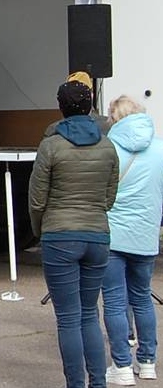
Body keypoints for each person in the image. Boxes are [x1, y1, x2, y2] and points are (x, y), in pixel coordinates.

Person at [29, 79, 119, 388]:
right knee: (89, 314)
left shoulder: (50, 145)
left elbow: (37, 200)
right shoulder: (108, 146)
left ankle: (75, 384)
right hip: (97, 234)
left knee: (68, 317)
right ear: (91, 105)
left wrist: (40, 231)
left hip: (60, 234)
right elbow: (110, 196)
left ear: (61, 107)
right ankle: (98, 383)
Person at [101, 96, 163, 385]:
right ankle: (148, 362)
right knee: (142, 298)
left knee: (114, 301)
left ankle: (122, 366)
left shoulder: (108, 148)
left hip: (113, 235)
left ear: (115, 118)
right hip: (146, 235)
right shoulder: (161, 148)